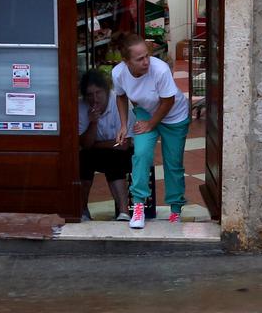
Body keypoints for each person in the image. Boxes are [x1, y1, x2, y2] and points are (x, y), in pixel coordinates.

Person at [112, 34, 191, 229]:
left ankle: (175, 210)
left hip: (174, 115)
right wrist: (124, 125)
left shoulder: (160, 70)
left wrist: (151, 124)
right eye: (139, 59)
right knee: (141, 154)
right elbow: (120, 96)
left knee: (173, 163)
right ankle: (138, 206)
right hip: (146, 111)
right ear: (126, 61)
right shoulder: (118, 73)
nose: (146, 61)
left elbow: (168, 101)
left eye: (147, 56)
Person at [77, 69, 130, 221]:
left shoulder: (119, 102)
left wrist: (95, 145)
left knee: (114, 159)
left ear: (106, 91)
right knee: (83, 160)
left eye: (98, 93)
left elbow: (124, 144)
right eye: (89, 95)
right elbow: (85, 145)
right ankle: (82, 209)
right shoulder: (81, 107)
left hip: (120, 152)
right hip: (96, 151)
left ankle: (123, 211)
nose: (94, 99)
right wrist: (93, 123)